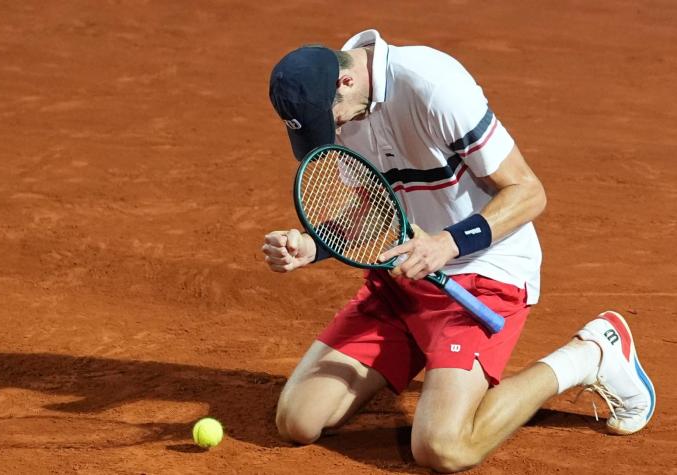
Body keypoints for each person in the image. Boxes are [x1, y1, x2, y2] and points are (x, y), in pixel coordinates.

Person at [262, 29, 655, 472]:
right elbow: (372, 206)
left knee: (442, 448)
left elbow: (528, 193)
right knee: (298, 421)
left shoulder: (432, 83)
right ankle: (422, 349)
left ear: (346, 82)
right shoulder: (350, 112)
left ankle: (590, 354)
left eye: (327, 118)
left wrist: (447, 244)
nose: (332, 130)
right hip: (405, 278)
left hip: (485, 274)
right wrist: (312, 245)